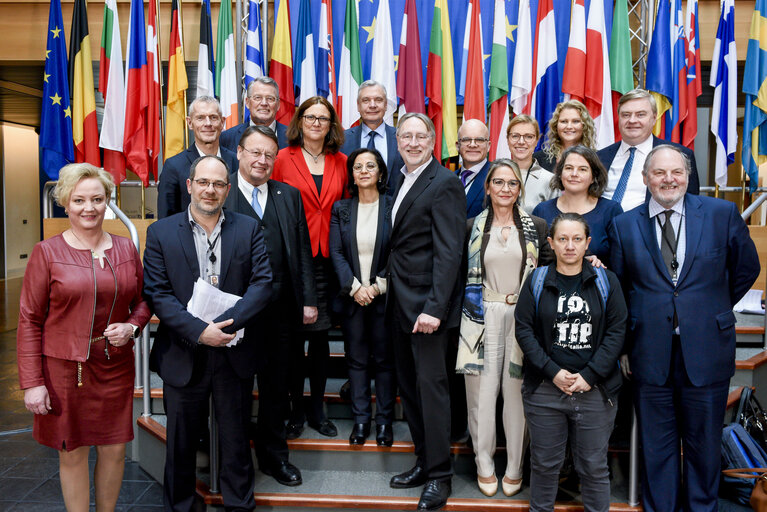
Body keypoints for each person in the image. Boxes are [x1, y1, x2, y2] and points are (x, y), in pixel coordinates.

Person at [608, 145, 760, 512]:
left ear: (688, 176)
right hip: (649, 351)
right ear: (646, 179)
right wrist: (626, 345)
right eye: (659, 173)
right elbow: (620, 288)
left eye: (676, 172)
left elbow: (746, 268)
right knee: (656, 446)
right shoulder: (624, 224)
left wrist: (709, 307)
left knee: (703, 445)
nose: (668, 179)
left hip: (707, 348)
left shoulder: (721, 214)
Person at [17, 163, 151, 512]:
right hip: (64, 372)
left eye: (97, 199)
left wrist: (132, 327)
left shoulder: (125, 249)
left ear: (108, 201)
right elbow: (30, 320)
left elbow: (144, 301)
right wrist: (33, 383)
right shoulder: (47, 253)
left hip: (114, 367)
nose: (88, 208)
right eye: (79, 200)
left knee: (114, 451)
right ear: (65, 202)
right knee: (72, 453)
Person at [143, 155, 273, 511]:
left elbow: (263, 285)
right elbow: (157, 294)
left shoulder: (248, 229)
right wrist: (201, 332)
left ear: (228, 190)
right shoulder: (161, 232)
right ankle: (181, 507)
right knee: (181, 444)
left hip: (234, 351)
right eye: (203, 182)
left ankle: (239, 505)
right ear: (189, 185)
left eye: (218, 184)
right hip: (184, 353)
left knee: (235, 441)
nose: (210, 190)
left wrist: (226, 326)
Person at [224, 125, 317, 487]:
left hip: (281, 313)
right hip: (234, 312)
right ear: (240, 153)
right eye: (255, 152)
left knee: (277, 389)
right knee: (236, 391)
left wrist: (308, 299)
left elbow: (302, 249)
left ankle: (274, 457)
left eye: (268, 155)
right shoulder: (222, 192)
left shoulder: (287, 195)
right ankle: (235, 463)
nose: (261, 160)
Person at [515, 212, 627, 512]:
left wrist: (589, 375)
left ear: (587, 243)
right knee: (544, 465)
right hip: (545, 390)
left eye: (577, 239)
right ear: (550, 242)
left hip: (595, 390)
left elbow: (617, 331)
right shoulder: (537, 280)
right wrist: (552, 372)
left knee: (593, 467)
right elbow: (524, 330)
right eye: (562, 239)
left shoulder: (607, 281)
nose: (569, 246)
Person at [457, 159, 553, 498]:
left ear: (519, 189)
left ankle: (514, 466)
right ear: (487, 187)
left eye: (512, 183)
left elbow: (549, 274)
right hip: (480, 315)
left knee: (516, 394)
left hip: (522, 317)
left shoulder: (538, 226)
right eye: (498, 182)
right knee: (480, 395)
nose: (505, 189)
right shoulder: (471, 226)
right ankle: (484, 464)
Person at [387, 112, 466, 511]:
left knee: (432, 392)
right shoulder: (400, 178)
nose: (413, 143)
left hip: (427, 311)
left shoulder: (445, 182)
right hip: (399, 305)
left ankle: (440, 476)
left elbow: (450, 251)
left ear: (434, 141)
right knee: (411, 391)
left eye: (421, 137)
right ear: (397, 140)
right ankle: (423, 460)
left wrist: (435, 308)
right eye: (406, 136)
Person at [272, 96, 348, 439]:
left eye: (323, 118)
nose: (316, 123)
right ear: (299, 121)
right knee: (291, 343)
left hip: (329, 262)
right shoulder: (282, 159)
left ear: (331, 125)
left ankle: (317, 409)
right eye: (310, 116)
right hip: (292, 260)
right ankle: (295, 410)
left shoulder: (342, 161)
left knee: (320, 341)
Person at [329, 148, 395, 446]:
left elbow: (398, 252)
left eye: (371, 166)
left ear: (380, 173)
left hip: (384, 298)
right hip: (353, 298)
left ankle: (383, 423)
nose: (365, 171)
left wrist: (378, 286)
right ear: (352, 175)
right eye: (358, 167)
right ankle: (360, 421)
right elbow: (337, 252)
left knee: (383, 361)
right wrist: (356, 288)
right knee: (356, 362)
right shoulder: (341, 208)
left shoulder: (393, 207)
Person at [598, 88, 700, 211]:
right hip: (605, 228)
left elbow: (691, 206)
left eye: (640, 114)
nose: (632, 120)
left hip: (650, 228)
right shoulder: (600, 157)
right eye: (626, 115)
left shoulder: (679, 155)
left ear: (654, 118)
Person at [533, 146, 623, 263]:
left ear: (593, 177)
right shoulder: (542, 211)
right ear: (560, 173)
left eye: (582, 169)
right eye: (569, 168)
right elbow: (535, 260)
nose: (574, 174)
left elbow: (620, 262)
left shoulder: (611, 211)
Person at [157, 96, 239, 218]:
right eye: (200, 118)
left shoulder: (237, 161)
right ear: (190, 123)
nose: (208, 123)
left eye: (213, 117)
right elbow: (166, 219)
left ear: (222, 122)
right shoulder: (173, 166)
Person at [339, 80, 404, 190]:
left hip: (394, 206)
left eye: (378, 100)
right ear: (358, 106)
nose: (372, 105)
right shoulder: (342, 140)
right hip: (354, 205)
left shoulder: (401, 138)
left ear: (386, 105)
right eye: (366, 100)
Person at [220, 77, 289, 152]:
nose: (264, 103)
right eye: (258, 98)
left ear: (278, 104)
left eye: (270, 98)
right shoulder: (226, 138)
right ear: (247, 102)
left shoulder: (295, 137)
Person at [507, 115, 558, 214]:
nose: (521, 142)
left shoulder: (550, 181)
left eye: (528, 137)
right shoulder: (494, 176)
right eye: (515, 136)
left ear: (537, 141)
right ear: (508, 139)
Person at [534, 100, 597, 171]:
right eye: (564, 121)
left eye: (575, 121)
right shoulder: (538, 159)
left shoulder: (596, 160)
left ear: (584, 126)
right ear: (556, 126)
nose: (569, 126)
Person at [456, 119, 492, 218]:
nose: (472, 145)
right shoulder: (447, 179)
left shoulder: (498, 176)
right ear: (457, 146)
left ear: (488, 146)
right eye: (466, 139)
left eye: (479, 140)